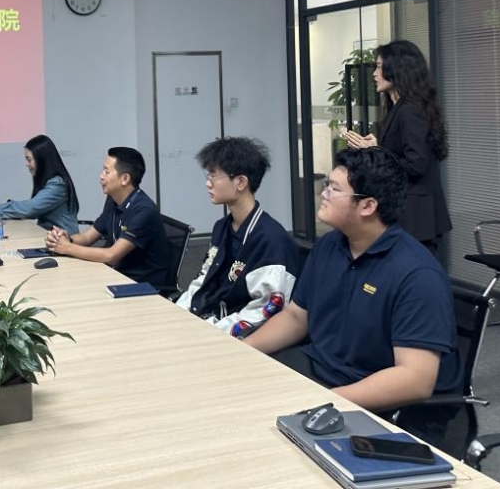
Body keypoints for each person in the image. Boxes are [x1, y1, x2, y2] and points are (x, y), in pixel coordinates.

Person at [244, 148, 460, 412]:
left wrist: (322, 401)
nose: (324, 194)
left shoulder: (417, 274)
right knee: (238, 386)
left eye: (334, 189)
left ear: (368, 206)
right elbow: (297, 317)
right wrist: (243, 350)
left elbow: (415, 379)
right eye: (326, 185)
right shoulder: (329, 245)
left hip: (376, 400)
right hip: (321, 371)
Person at [175, 137, 300, 336]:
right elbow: (205, 277)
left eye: (213, 176)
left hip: (234, 335)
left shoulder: (270, 239)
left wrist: (209, 330)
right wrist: (178, 312)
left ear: (240, 182)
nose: (207, 183)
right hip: (207, 317)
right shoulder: (222, 227)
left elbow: (266, 310)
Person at [345, 40, 451, 250]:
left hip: (415, 216)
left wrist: (376, 150)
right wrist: (376, 146)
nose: (374, 74)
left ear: (397, 69)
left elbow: (416, 165)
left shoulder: (409, 110)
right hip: (409, 214)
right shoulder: (400, 108)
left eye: (379, 67)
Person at [45, 146, 170, 286]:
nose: (101, 176)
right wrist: (64, 239)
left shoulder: (143, 211)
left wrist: (67, 247)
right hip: (117, 275)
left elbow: (111, 255)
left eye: (107, 171)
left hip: (141, 286)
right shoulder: (114, 201)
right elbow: (87, 238)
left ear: (125, 179)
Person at [0, 135, 80, 235]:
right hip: (51, 238)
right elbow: (32, 208)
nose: (27, 164)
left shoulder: (57, 184)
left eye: (29, 159)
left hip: (65, 241)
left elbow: (31, 208)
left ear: (41, 159)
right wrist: (1, 207)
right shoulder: (50, 182)